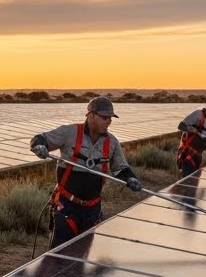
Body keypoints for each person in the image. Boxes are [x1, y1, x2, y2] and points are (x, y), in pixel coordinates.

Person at [30, 96, 144, 248]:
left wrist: (131, 179)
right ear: (90, 115)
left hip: (92, 210)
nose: (108, 121)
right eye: (104, 117)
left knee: (83, 254)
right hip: (66, 206)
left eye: (110, 118)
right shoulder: (69, 133)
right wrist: (39, 147)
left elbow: (121, 168)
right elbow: (40, 138)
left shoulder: (112, 142)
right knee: (58, 255)